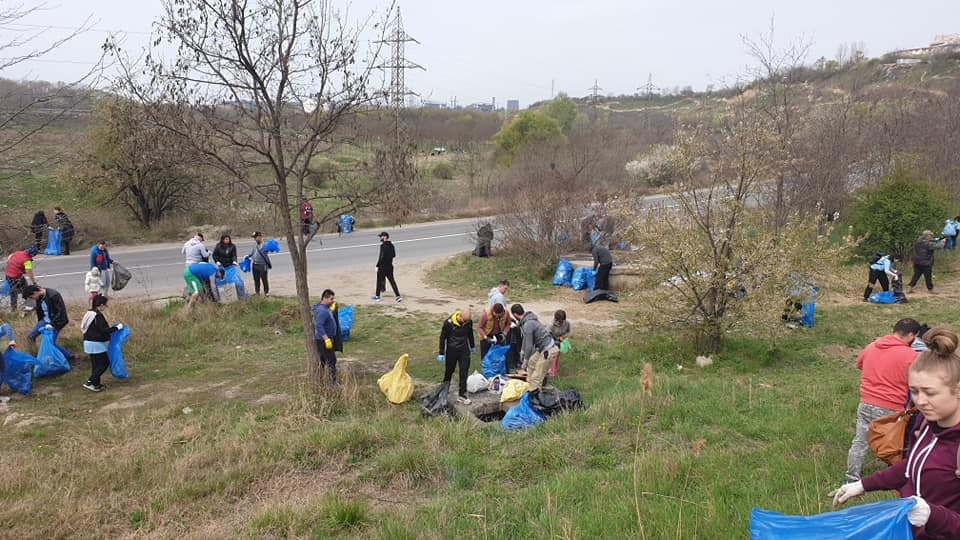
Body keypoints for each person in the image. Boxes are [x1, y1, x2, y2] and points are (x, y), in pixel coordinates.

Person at [832, 327, 960, 538]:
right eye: (915, 391)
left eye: (929, 392)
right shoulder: (924, 423)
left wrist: (932, 515)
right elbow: (911, 467)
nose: (919, 401)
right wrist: (863, 484)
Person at [842, 318, 920, 483]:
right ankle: (895, 479)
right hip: (891, 407)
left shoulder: (872, 346)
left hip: (866, 402)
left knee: (860, 441)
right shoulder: (911, 355)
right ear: (911, 335)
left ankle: (850, 479)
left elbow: (860, 364)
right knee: (892, 446)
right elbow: (916, 381)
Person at [511, 303, 559, 392]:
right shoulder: (528, 319)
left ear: (515, 315)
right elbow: (526, 338)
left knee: (536, 377)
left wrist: (525, 360)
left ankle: (534, 395)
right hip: (542, 349)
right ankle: (528, 389)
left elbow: (529, 346)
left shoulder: (528, 324)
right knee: (532, 363)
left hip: (549, 350)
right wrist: (522, 350)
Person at [22, 284, 75, 362]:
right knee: (30, 337)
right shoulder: (39, 297)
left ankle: (69, 356)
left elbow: (61, 312)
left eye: (31, 297)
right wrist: (30, 309)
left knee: (50, 343)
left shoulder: (53, 295)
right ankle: (35, 356)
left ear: (35, 292)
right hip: (45, 320)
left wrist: (51, 324)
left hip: (56, 322)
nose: (32, 299)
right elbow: (42, 308)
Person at [80, 295, 122, 392]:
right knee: (104, 363)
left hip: (87, 342)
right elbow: (104, 330)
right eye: (106, 305)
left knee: (96, 365)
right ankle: (90, 381)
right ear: (101, 305)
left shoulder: (88, 313)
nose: (106, 307)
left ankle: (96, 385)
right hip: (96, 344)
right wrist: (117, 328)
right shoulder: (97, 316)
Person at [438, 308, 475, 405]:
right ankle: (444, 391)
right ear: (460, 317)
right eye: (465, 321)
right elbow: (442, 338)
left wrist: (472, 346)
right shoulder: (449, 323)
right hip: (452, 351)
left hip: (464, 350)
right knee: (449, 371)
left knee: (464, 371)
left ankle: (462, 394)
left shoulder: (468, 322)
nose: (467, 322)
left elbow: (470, 334)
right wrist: (441, 352)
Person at [312, 289, 340, 386]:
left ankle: (321, 380)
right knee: (331, 360)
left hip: (325, 339)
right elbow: (319, 325)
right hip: (324, 341)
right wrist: (326, 338)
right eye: (331, 299)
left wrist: (330, 310)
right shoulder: (322, 311)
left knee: (323, 360)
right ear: (325, 298)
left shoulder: (323, 307)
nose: (333, 301)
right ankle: (333, 382)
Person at [5, 246, 37, 313]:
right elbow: (29, 272)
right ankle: (29, 307)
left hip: (8, 275)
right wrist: (34, 282)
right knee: (27, 291)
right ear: (32, 254)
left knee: (13, 292)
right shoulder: (27, 261)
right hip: (16, 277)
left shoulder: (18, 252)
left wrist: (10, 263)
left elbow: (9, 257)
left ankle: (13, 309)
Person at [373, 231, 400, 302]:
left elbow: (381, 257)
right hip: (390, 266)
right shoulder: (391, 245)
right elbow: (394, 255)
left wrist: (377, 266)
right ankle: (398, 296)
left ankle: (377, 296)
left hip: (382, 267)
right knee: (392, 281)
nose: (380, 238)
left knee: (379, 281)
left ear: (385, 237)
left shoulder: (382, 246)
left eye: (381, 236)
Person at [548, 309, 571, 376]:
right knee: (553, 356)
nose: (560, 323)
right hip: (552, 341)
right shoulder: (551, 325)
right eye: (559, 321)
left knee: (558, 355)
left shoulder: (567, 323)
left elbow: (568, 332)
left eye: (562, 321)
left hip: (561, 341)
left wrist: (561, 338)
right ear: (555, 319)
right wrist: (554, 340)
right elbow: (547, 334)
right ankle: (551, 372)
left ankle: (554, 370)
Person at [249, 231, 272, 296]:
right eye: (254, 238)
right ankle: (257, 292)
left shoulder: (265, 244)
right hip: (255, 264)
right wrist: (248, 256)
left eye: (255, 237)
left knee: (264, 279)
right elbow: (252, 253)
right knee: (256, 279)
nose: (255, 239)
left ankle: (266, 292)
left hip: (262, 265)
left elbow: (270, 250)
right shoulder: (255, 245)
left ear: (259, 237)